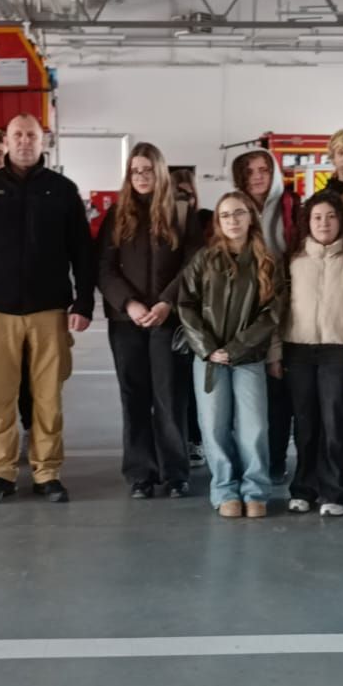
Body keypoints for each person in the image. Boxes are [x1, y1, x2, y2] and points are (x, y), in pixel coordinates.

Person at [0, 113, 96, 503]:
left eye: (31, 135)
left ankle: (47, 473)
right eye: (18, 135)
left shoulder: (62, 190)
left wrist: (84, 301)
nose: (24, 142)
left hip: (50, 312)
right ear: (7, 140)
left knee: (48, 399)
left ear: (42, 140)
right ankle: (0, 473)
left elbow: (82, 251)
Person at [96, 142, 202, 499]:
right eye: (135, 171)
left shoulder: (181, 212)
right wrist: (128, 304)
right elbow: (104, 268)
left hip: (168, 320)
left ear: (160, 172)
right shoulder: (117, 216)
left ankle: (175, 473)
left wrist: (167, 303)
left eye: (147, 170)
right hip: (126, 321)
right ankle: (141, 473)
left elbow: (193, 264)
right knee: (134, 396)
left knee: (171, 397)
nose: (141, 177)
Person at [177, 191, 285, 519]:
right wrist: (209, 349)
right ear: (218, 222)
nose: (233, 220)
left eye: (239, 213)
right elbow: (186, 305)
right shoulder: (204, 260)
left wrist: (237, 348)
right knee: (213, 426)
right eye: (225, 215)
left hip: (248, 358)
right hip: (209, 360)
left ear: (251, 217)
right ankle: (224, 489)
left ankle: (255, 490)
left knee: (254, 427)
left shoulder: (267, 261)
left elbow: (273, 312)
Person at [279, 194, 343, 517]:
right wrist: (273, 355)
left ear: (341, 221)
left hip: (340, 351)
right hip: (297, 350)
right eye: (317, 217)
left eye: (331, 216)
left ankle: (335, 492)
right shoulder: (292, 260)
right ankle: (303, 489)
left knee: (336, 423)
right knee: (305, 424)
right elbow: (277, 312)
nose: (324, 223)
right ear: (307, 222)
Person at [231, 145, 301, 481]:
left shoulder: (291, 207)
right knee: (245, 396)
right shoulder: (234, 207)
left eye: (264, 170)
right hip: (243, 311)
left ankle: (274, 460)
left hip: (286, 307)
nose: (257, 177)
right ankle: (246, 460)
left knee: (278, 389)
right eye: (250, 171)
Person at [171, 166, 212, 469]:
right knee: (176, 385)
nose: (185, 198)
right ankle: (182, 438)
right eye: (178, 193)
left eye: (189, 192)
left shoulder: (206, 221)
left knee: (200, 387)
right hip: (172, 315)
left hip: (205, 318)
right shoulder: (166, 226)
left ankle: (198, 438)